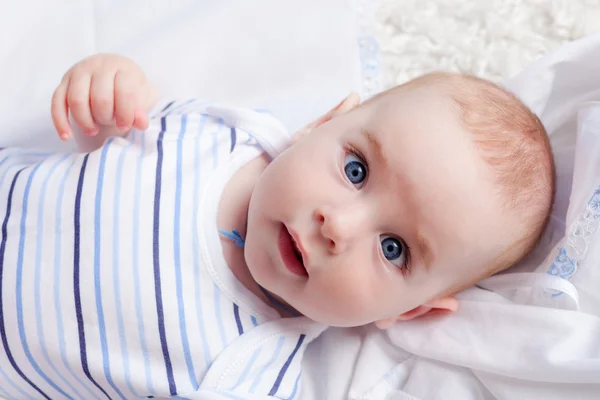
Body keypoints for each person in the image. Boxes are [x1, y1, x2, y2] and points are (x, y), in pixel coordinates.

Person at [0, 54, 554, 399]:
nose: (337, 225)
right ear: (323, 122)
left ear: (406, 311)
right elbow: (106, 126)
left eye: (393, 248)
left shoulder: (244, 374)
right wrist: (105, 81)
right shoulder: (221, 135)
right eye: (356, 170)